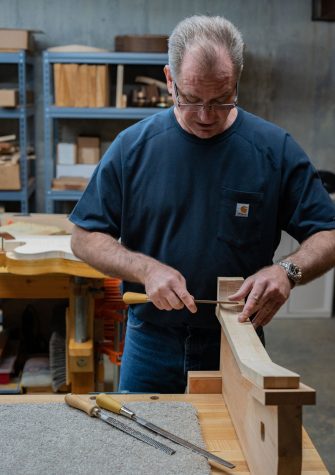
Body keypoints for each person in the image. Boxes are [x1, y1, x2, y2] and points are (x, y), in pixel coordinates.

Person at [69, 15, 335, 393]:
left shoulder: (274, 150)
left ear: (237, 81)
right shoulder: (133, 148)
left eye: (222, 100)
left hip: (238, 340)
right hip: (151, 342)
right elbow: (84, 236)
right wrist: (146, 269)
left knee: (237, 450)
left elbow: (328, 232)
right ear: (169, 79)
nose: (206, 116)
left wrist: (287, 272)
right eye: (191, 99)